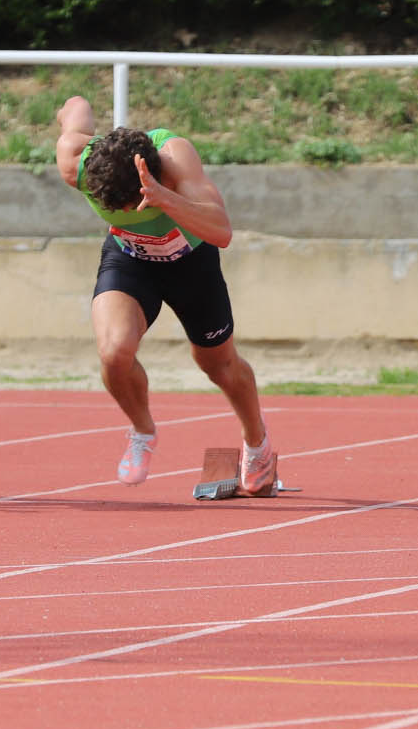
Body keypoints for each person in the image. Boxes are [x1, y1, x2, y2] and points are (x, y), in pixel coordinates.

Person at [53, 100, 276, 492]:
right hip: (130, 260)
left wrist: (164, 197)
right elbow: (75, 107)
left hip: (191, 263)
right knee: (113, 351)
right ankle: (143, 431)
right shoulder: (76, 163)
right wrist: (73, 109)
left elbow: (222, 232)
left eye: (131, 204)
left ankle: (257, 442)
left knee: (218, 365)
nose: (124, 211)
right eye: (114, 208)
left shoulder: (175, 158)